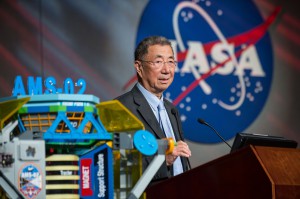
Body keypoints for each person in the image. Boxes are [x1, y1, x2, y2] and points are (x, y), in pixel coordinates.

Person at [116, 35, 191, 184]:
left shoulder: (171, 110)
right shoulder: (121, 109)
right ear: (139, 67)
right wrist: (163, 162)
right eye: (158, 62)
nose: (166, 70)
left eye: (171, 62)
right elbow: (120, 170)